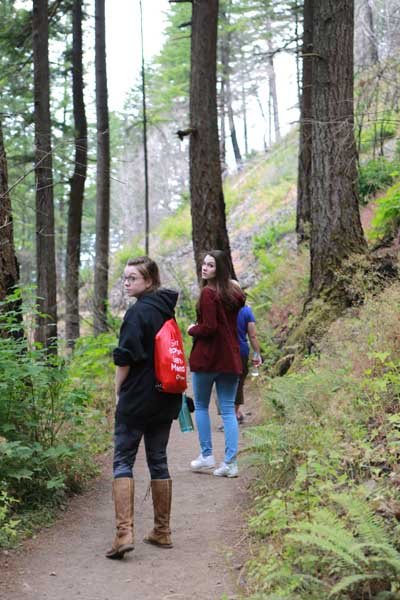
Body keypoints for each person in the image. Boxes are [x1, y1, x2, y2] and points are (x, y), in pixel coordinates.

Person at [106, 256, 182, 559]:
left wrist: (117, 392)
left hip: (137, 398)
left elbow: (125, 358)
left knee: (123, 459)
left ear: (149, 281)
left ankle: (124, 533)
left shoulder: (137, 314)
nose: (127, 283)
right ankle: (162, 531)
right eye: (125, 278)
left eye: (133, 278)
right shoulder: (167, 312)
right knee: (158, 459)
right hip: (165, 398)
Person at [187, 250, 245, 478]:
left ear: (219, 269)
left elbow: (209, 327)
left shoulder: (208, 294)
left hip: (207, 358)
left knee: (201, 406)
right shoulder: (233, 294)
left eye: (211, 265)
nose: (205, 268)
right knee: (228, 409)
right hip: (230, 358)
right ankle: (230, 463)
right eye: (204, 264)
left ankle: (207, 456)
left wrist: (192, 329)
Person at [235, 303, 262, 423]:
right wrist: (257, 352)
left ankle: (229, 414)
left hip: (222, 351)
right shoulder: (246, 311)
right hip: (241, 351)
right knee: (238, 382)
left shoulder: (220, 306)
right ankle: (235, 412)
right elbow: (252, 335)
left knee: (223, 382)